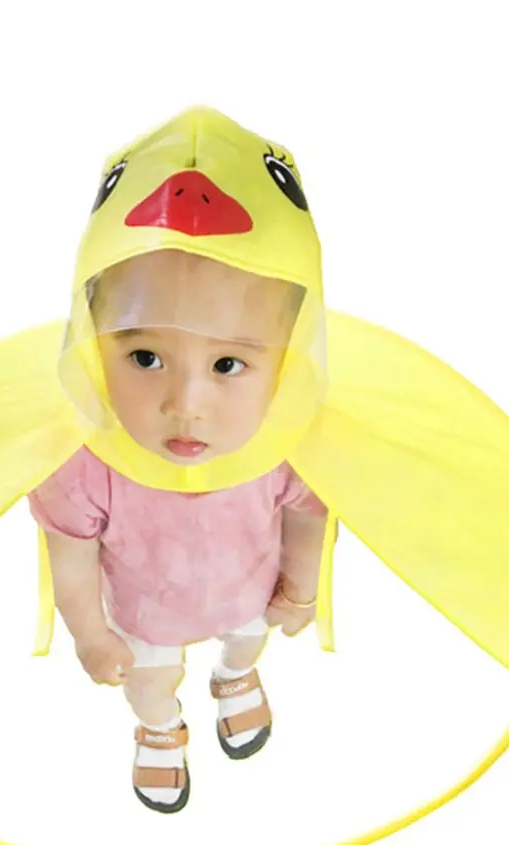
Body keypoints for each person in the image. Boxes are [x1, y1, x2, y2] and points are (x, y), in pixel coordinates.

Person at [28, 247, 328, 813]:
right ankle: (160, 725)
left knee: (249, 639)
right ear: (93, 348)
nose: (186, 406)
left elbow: (308, 517)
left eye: (228, 365)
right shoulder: (86, 463)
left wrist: (301, 590)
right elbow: (70, 561)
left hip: (251, 593)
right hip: (146, 618)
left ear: (286, 365)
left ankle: (233, 675)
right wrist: (91, 636)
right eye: (145, 358)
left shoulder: (281, 444)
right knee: (148, 683)